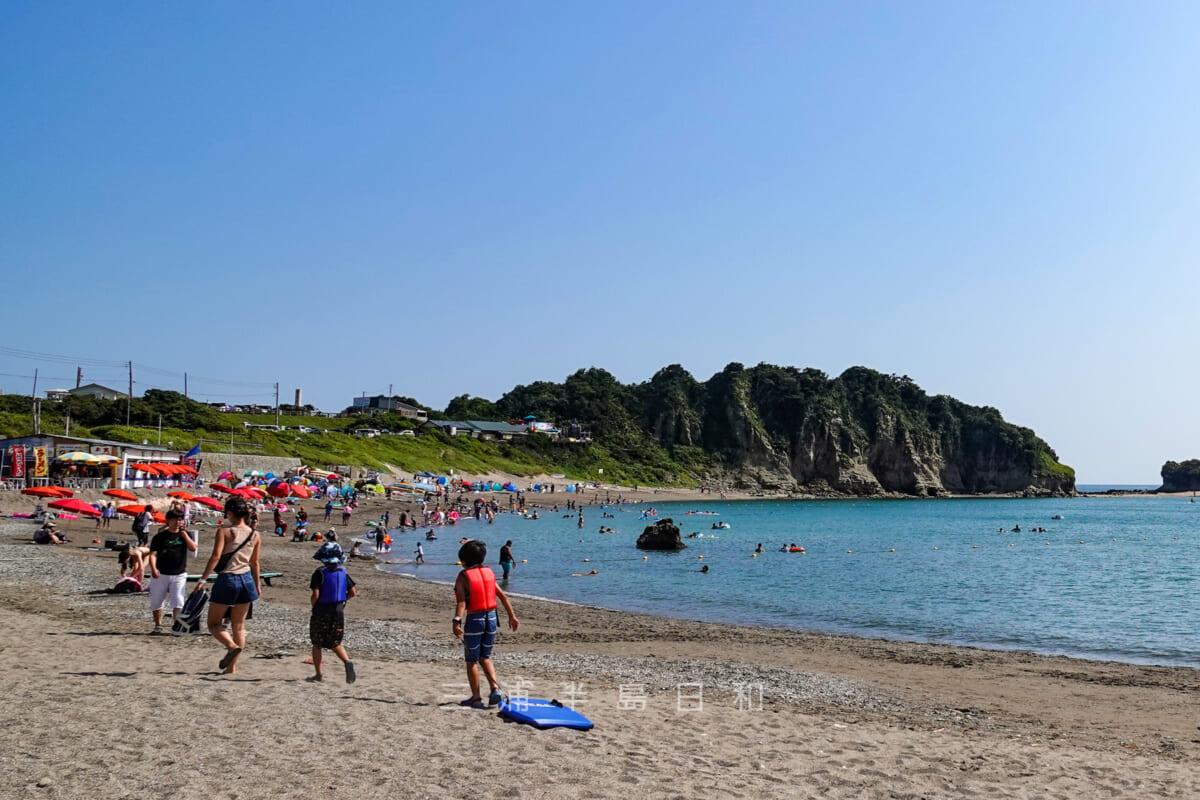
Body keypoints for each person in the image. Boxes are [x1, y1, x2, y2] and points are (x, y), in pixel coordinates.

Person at [196, 496, 261, 674]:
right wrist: (257, 584)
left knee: (214, 624)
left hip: (228, 579)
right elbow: (255, 563)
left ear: (230, 513)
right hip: (246, 579)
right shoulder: (254, 534)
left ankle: (231, 647)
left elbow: (216, 557)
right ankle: (231, 668)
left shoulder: (225, 532)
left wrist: (202, 580)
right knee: (238, 626)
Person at [452, 540, 519, 708]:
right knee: (485, 657)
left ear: (464, 560)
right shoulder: (488, 572)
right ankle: (494, 689)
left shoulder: (463, 576)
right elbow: (503, 597)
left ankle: (476, 699)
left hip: (475, 620)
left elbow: (461, 603)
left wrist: (456, 621)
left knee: (472, 660)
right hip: (491, 619)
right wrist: (512, 616)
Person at [308, 541, 357, 683]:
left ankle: (318, 674)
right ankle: (347, 661)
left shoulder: (319, 573)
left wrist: (314, 606)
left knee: (317, 643)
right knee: (335, 642)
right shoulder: (343, 572)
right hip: (338, 610)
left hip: (322, 610)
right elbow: (352, 592)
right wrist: (342, 601)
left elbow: (315, 595)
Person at [147, 507, 197, 634]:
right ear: (168, 520)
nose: (178, 522)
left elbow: (193, 548)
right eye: (175, 519)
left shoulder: (185, 535)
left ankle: (177, 626)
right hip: (161, 573)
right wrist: (153, 568)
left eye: (180, 519)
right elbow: (153, 554)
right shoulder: (159, 537)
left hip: (179, 573)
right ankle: (158, 625)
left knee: (178, 601)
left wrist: (184, 535)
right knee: (157, 601)